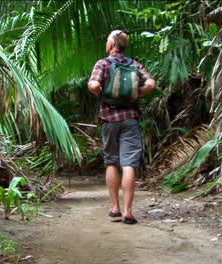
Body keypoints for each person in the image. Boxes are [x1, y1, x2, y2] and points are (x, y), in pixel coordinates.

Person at [88, 30, 156, 224]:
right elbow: (151, 83)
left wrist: (103, 92)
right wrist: (134, 94)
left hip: (109, 119)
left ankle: (115, 207)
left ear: (110, 45)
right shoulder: (134, 65)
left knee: (111, 161)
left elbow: (93, 85)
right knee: (129, 163)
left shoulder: (103, 64)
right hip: (131, 119)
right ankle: (128, 211)